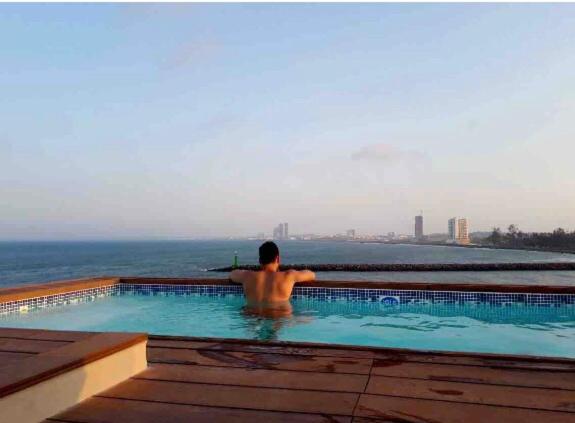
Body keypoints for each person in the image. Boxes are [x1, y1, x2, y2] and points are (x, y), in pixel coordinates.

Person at [230, 241, 316, 306]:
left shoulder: (247, 276)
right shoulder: (288, 276)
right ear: (277, 258)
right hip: (278, 320)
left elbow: (232, 274)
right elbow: (311, 274)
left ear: (260, 260)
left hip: (253, 320)